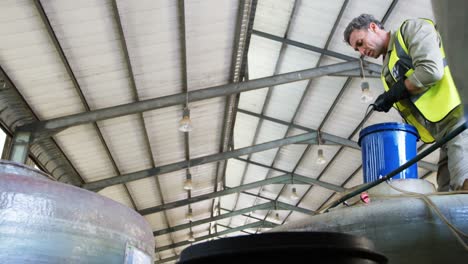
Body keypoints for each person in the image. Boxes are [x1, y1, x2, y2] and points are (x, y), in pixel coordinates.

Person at [343, 14, 468, 191]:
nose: (362, 52)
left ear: (373, 27)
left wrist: (397, 91)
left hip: (459, 114)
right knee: (444, 193)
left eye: (361, 43)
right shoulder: (386, 71)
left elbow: (431, 70)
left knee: (463, 184)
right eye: (358, 50)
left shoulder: (410, 31)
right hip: (443, 130)